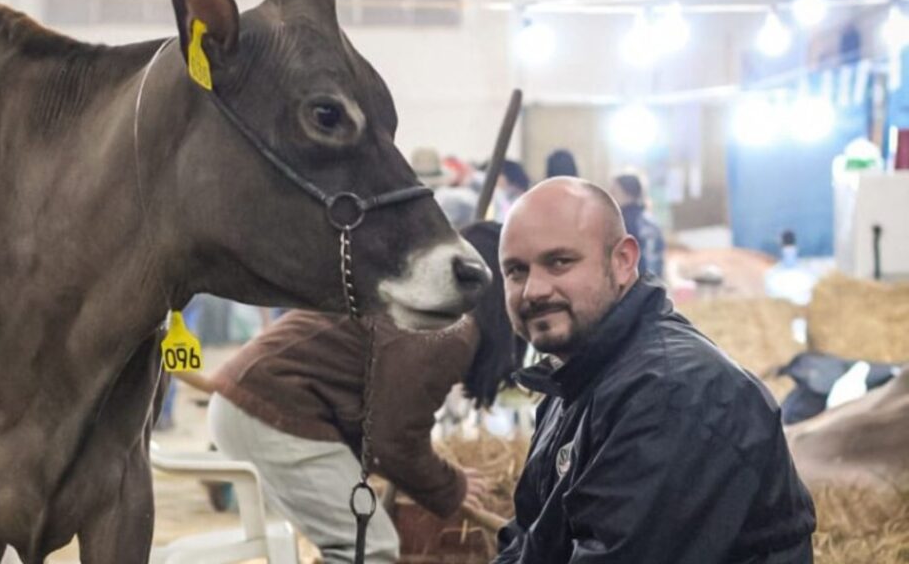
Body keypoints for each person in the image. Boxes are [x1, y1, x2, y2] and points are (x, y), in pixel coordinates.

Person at [494, 177, 816, 564]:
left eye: (559, 262)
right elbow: (527, 542)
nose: (533, 290)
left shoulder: (674, 394)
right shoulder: (573, 384)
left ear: (623, 261)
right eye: (516, 271)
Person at [178, 222, 525, 564]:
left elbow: (388, 432)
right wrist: (450, 486)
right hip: (271, 409)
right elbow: (393, 438)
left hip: (260, 404)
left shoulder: (423, 303)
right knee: (368, 548)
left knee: (361, 543)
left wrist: (440, 484)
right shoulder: (448, 329)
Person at [609, 172, 665, 278]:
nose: (610, 196)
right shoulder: (650, 219)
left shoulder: (622, 222)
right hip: (654, 284)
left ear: (626, 193)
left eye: (614, 191)